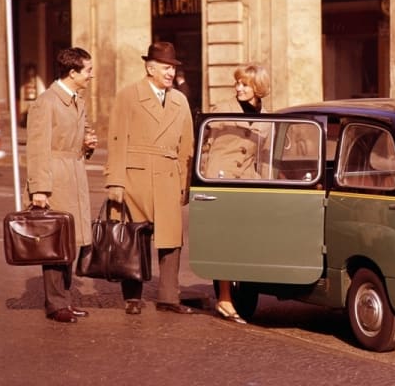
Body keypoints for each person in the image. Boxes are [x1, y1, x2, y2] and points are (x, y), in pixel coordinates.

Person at [104, 41, 195, 316]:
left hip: (168, 176)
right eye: (166, 67)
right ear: (150, 67)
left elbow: (187, 146)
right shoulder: (128, 95)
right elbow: (117, 140)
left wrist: (184, 185)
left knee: (171, 241)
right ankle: (132, 297)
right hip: (135, 177)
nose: (170, 73)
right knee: (134, 237)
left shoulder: (180, 100)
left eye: (173, 68)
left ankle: (169, 297)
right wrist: (115, 181)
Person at [25, 47, 98, 323]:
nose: (91, 76)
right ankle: (56, 304)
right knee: (55, 243)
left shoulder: (77, 100)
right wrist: (40, 189)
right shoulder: (46, 103)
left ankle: (64, 299)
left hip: (74, 174)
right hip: (55, 179)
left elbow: (73, 141)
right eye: (88, 71)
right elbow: (37, 148)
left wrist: (86, 146)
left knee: (70, 242)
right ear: (73, 72)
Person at [204, 62, 271, 323]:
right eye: (237, 83)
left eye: (244, 84)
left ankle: (240, 295)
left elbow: (264, 156)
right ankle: (224, 298)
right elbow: (207, 146)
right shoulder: (222, 109)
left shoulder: (268, 116)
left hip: (248, 183)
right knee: (225, 240)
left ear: (257, 87)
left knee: (245, 241)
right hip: (222, 182)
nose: (238, 88)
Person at [20, 63, 46, 127]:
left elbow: (42, 92)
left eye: (32, 72)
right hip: (27, 103)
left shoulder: (38, 81)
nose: (30, 74)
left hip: (35, 103)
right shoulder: (25, 82)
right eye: (29, 72)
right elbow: (23, 94)